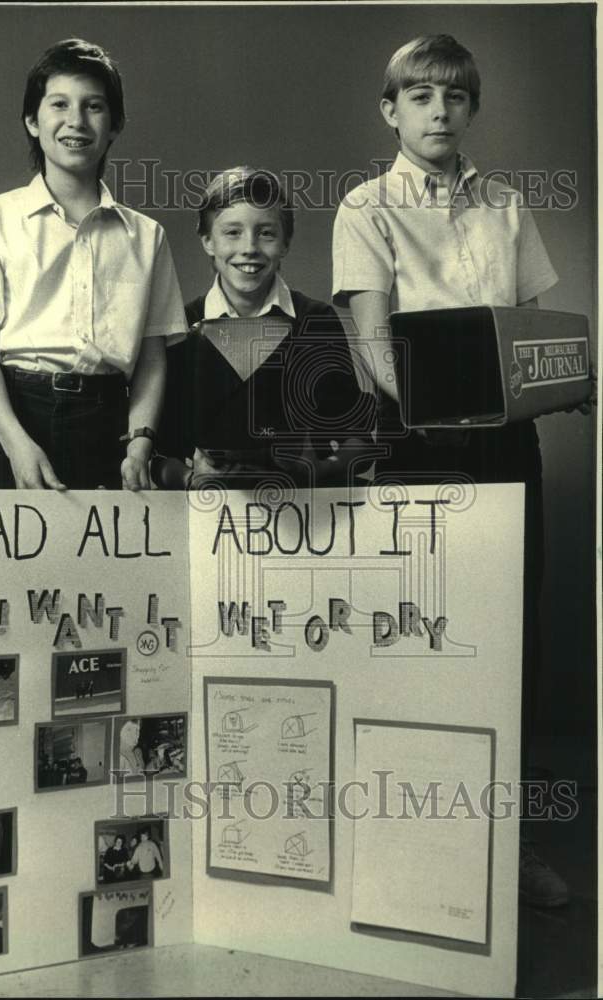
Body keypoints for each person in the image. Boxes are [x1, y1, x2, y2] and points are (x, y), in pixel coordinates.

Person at [331, 33, 576, 908]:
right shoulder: (365, 207)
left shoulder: (508, 205)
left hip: (506, 441)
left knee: (509, 629)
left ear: (471, 109)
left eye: (456, 97)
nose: (440, 111)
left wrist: (561, 383)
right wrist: (419, 416)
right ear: (391, 111)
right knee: (421, 634)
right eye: (421, 96)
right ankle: (416, 844)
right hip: (417, 441)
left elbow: (536, 331)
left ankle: (506, 846)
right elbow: (369, 336)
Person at [0, 38, 186, 490]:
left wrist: (140, 442)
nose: (76, 121)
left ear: (114, 125)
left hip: (106, 422)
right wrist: (15, 442)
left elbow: (152, 358)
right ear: (33, 121)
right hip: (8, 414)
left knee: (103, 561)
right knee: (3, 560)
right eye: (59, 105)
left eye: (94, 106)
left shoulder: (147, 237)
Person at [156, 166, 374, 489]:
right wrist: (191, 478)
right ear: (207, 241)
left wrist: (317, 469)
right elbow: (155, 455)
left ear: (285, 243)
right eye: (232, 232)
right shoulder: (181, 325)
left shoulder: (316, 322)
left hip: (302, 514)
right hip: (211, 519)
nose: (249, 248)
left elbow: (361, 445)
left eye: (266, 233)